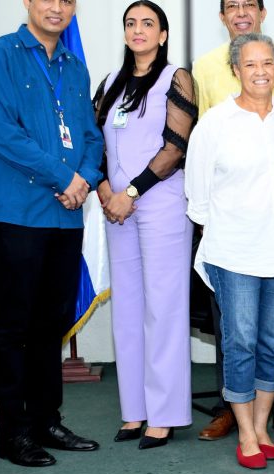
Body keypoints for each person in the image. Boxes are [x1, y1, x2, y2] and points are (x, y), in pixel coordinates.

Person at [0, 0, 103, 468]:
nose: (57, 7)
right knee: (14, 325)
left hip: (64, 217)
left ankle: (47, 420)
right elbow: (1, 132)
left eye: (67, 0)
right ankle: (14, 433)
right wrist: (64, 177)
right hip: (14, 213)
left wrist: (84, 179)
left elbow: (91, 135)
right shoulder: (0, 55)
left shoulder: (74, 66)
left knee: (51, 325)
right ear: (28, 1)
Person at [190, 0, 274, 443]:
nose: (261, 71)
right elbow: (197, 199)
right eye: (250, 64)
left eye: (268, 63)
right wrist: (229, 231)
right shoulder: (214, 124)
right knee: (239, 343)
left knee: (273, 344)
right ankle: (245, 432)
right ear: (235, 70)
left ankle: (261, 426)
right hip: (233, 253)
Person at [92, 0, 196, 450]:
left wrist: (130, 192)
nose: (138, 30)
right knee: (128, 310)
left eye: (148, 23)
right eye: (131, 23)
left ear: (163, 34)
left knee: (164, 308)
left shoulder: (177, 78)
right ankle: (134, 411)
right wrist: (104, 191)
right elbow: (93, 142)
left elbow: (175, 146)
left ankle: (165, 414)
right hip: (115, 209)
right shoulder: (109, 83)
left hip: (160, 204)